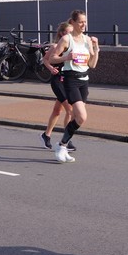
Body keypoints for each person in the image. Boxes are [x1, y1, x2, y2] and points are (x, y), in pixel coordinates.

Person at [44, 10, 100, 163]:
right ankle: (61, 145)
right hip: (71, 80)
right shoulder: (66, 40)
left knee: (75, 117)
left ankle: (63, 145)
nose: (83, 24)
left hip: (84, 80)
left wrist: (96, 49)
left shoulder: (87, 40)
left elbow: (92, 65)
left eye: (85, 22)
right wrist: (67, 57)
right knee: (82, 116)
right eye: (81, 22)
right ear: (73, 23)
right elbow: (52, 58)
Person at [40, 21, 75, 150]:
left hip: (67, 81)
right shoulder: (55, 46)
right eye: (69, 32)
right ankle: (66, 140)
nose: (71, 35)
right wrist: (51, 68)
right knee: (70, 110)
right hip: (57, 81)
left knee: (57, 111)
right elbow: (45, 59)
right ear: (62, 33)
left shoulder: (72, 46)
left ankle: (46, 135)